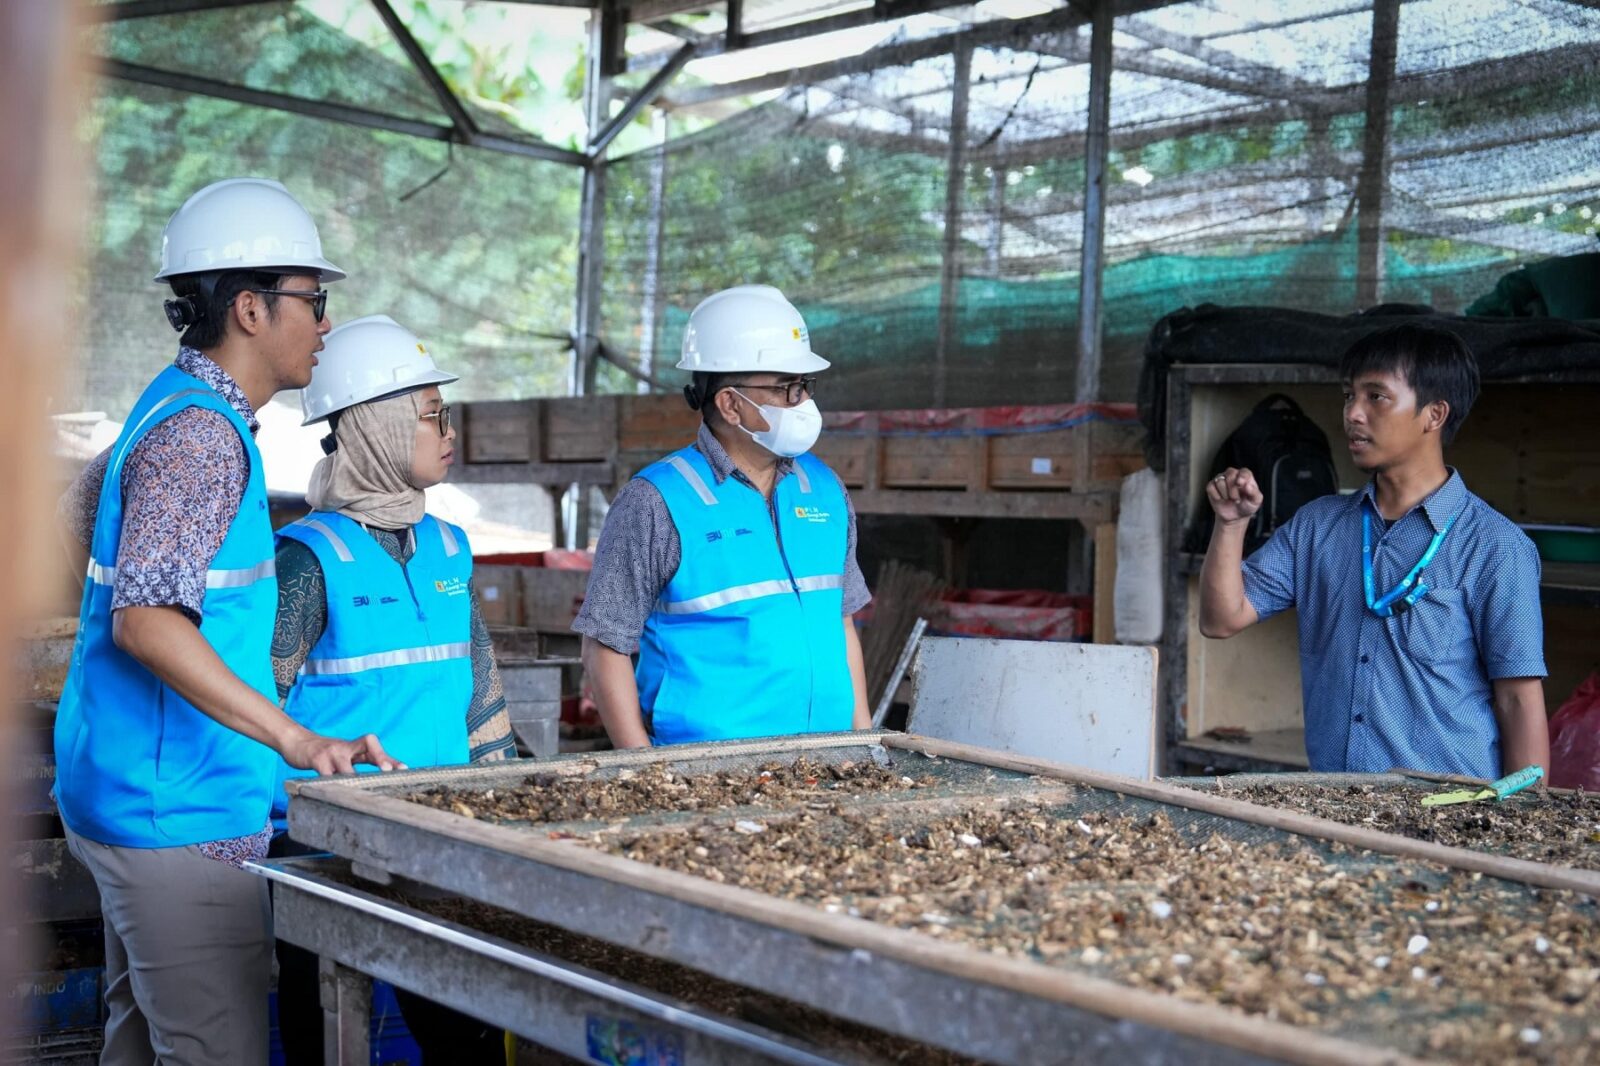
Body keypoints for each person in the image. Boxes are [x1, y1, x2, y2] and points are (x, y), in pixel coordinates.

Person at [54, 177, 398, 1066]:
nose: (326, 324)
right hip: (177, 815)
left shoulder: (169, 407)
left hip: (131, 792)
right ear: (249, 308)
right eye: (313, 301)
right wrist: (296, 737)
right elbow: (147, 623)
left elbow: (71, 528)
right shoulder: (203, 438)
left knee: (141, 1041)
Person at [268, 313, 514, 1062]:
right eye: (431, 416)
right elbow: (253, 703)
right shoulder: (308, 558)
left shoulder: (448, 546)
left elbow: (482, 692)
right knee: (326, 1033)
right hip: (320, 847)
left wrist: (504, 802)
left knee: (459, 1031)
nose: (448, 433)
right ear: (375, 428)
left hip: (439, 833)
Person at [1198, 323, 1549, 778]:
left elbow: (1518, 699)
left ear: (1434, 414)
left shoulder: (1496, 547)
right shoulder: (1317, 526)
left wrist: (1521, 825)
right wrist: (1230, 524)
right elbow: (1221, 619)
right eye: (1349, 396)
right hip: (1337, 806)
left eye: (1375, 397)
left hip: (1449, 814)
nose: (1353, 414)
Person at [575, 284, 872, 747]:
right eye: (785, 389)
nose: (803, 404)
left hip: (826, 761)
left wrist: (862, 739)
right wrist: (642, 766)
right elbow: (605, 644)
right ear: (730, 404)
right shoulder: (655, 501)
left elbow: (841, 620)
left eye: (805, 387)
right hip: (705, 768)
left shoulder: (826, 490)